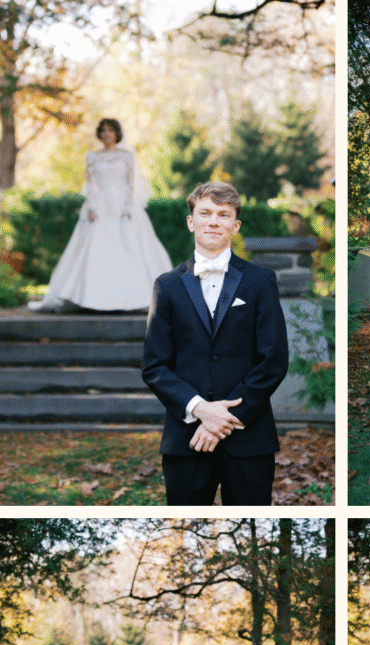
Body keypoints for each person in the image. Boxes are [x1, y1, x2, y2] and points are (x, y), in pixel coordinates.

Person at [141, 181, 289, 507]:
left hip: (248, 437)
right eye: (204, 213)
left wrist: (222, 419)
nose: (213, 221)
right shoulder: (167, 286)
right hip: (187, 437)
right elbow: (154, 365)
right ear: (191, 221)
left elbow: (274, 358)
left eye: (223, 215)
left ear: (235, 226)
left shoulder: (259, 280)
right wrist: (201, 409)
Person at [29, 118, 172, 312]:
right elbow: (89, 185)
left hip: (123, 205)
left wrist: (128, 207)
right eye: (103, 131)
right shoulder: (92, 156)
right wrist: (92, 206)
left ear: (117, 134)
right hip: (100, 205)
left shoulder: (127, 155)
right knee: (93, 246)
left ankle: (132, 298)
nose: (107, 135)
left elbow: (131, 183)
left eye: (111, 131)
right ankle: (91, 298)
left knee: (130, 247)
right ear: (99, 134)